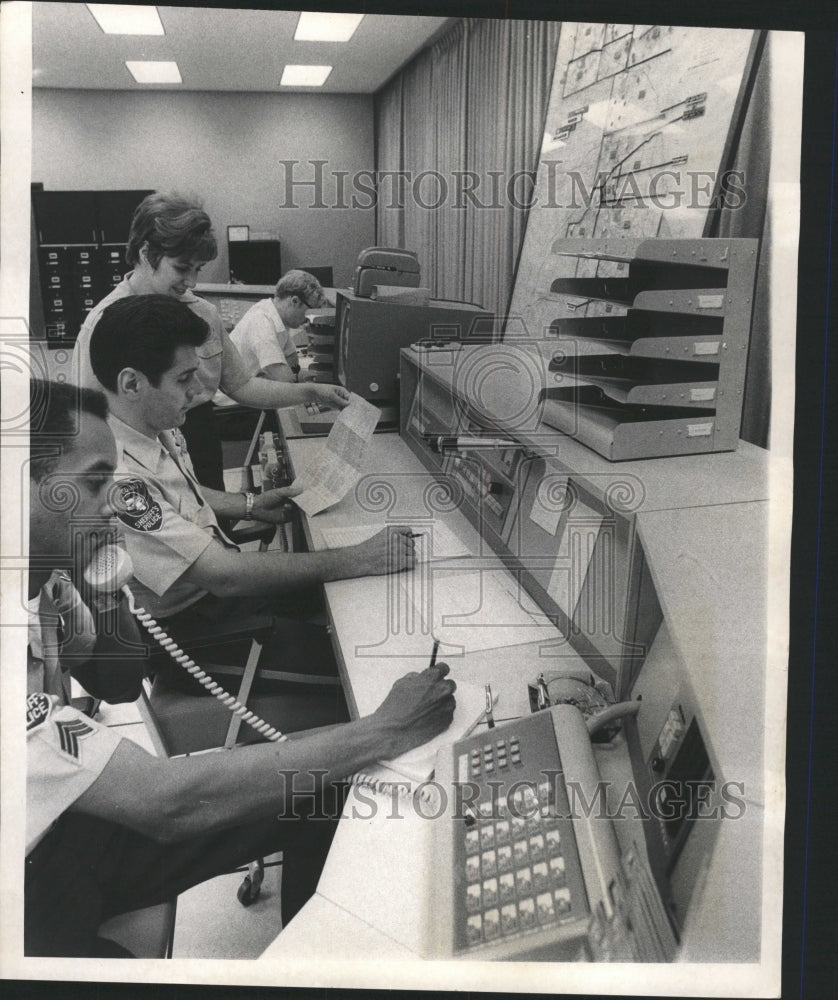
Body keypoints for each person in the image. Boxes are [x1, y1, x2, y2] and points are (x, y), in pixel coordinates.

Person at [25, 377, 457, 957]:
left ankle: (310, 963)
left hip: (69, 828)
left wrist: (107, 590)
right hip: (29, 894)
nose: (112, 501)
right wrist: (384, 728)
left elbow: (119, 682)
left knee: (321, 791)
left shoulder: (41, 583)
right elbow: (168, 801)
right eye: (94, 482)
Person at [87, 294, 415, 692]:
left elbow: (181, 499)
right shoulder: (121, 483)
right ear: (132, 383)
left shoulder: (147, 424)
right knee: (377, 668)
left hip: (222, 603)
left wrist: (251, 504)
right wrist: (360, 556)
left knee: (365, 605)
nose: (197, 391)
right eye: (184, 379)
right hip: (202, 635)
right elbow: (223, 578)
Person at [71, 192, 349, 491]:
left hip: (198, 434)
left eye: (197, 270)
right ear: (145, 253)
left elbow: (242, 386)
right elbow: (86, 425)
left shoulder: (203, 314)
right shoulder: (102, 326)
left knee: (214, 522)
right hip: (132, 459)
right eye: (181, 268)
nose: (191, 282)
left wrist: (311, 391)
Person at [219, 269, 327, 391]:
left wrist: (322, 377)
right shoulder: (261, 322)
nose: (309, 320)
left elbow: (293, 365)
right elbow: (284, 380)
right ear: (295, 301)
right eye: (310, 311)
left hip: (247, 389)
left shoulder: (274, 314)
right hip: (233, 400)